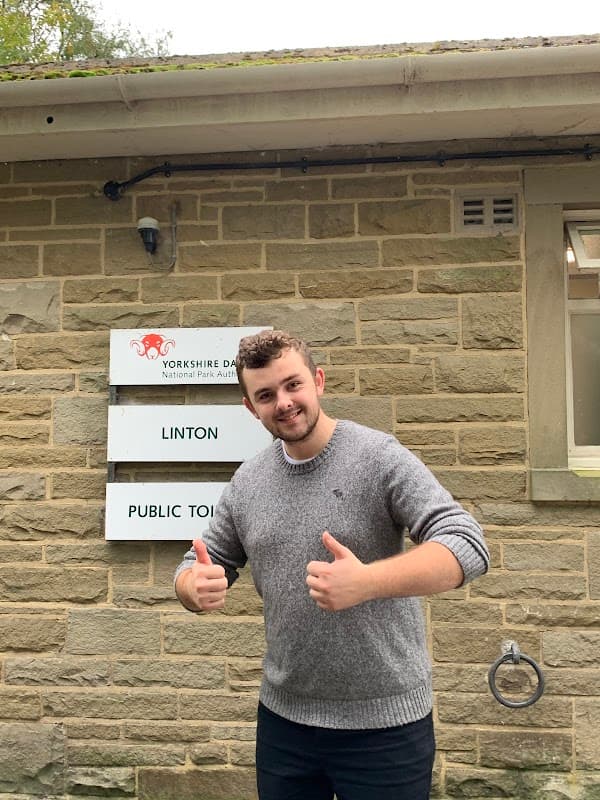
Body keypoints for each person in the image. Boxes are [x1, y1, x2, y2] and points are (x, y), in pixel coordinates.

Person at [175, 329, 489, 800]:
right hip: (285, 724)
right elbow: (196, 564)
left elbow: (466, 544)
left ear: (318, 380)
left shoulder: (378, 458)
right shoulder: (248, 483)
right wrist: (191, 587)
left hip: (386, 726)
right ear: (250, 407)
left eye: (292, 385)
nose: (283, 402)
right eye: (265, 395)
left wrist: (367, 582)